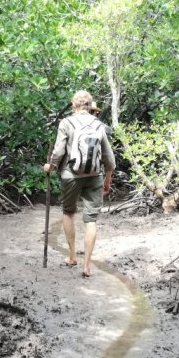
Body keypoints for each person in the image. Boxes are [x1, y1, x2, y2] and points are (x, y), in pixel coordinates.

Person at [43, 90, 115, 278]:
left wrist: (50, 166)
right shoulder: (99, 125)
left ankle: (72, 256)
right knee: (90, 220)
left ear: (74, 105)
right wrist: (107, 180)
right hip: (94, 175)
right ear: (91, 106)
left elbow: (58, 152)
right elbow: (109, 158)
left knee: (68, 212)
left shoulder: (66, 123)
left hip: (70, 175)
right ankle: (87, 266)